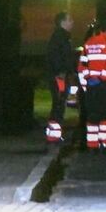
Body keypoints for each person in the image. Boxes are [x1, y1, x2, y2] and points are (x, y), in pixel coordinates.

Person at [76, 20, 106, 153]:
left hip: (90, 85)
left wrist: (85, 85)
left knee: (92, 115)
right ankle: (104, 144)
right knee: (105, 115)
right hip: (104, 85)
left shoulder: (88, 43)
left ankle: (92, 145)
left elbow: (81, 66)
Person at [44, 11, 74, 145]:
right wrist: (61, 71)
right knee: (58, 104)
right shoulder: (60, 38)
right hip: (59, 77)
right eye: (70, 20)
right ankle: (54, 136)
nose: (72, 22)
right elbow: (57, 56)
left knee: (59, 104)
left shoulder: (61, 37)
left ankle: (54, 135)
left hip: (60, 75)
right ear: (62, 22)